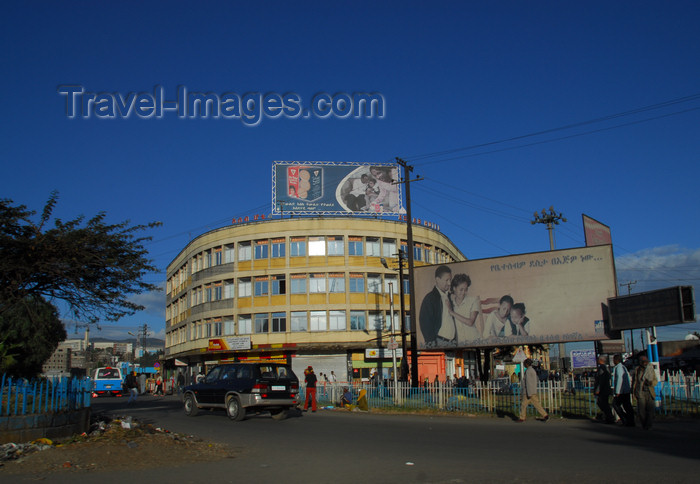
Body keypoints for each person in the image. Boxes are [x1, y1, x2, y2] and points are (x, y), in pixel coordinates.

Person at [419, 265, 453, 347]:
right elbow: (425, 323)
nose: (449, 283)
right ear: (438, 280)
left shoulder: (451, 297)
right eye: (447, 280)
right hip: (439, 342)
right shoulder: (430, 299)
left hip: (454, 343)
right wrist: (432, 344)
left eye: (450, 280)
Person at [446, 273, 482, 343]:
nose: (463, 292)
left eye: (466, 289)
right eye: (461, 289)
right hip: (459, 344)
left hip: (474, 342)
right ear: (454, 288)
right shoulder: (450, 303)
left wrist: (452, 313)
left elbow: (470, 322)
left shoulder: (473, 300)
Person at [632, 355, 658, 430]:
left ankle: (648, 425)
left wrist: (651, 383)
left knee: (650, 410)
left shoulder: (650, 369)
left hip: (649, 392)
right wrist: (633, 391)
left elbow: (655, 380)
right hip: (640, 392)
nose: (645, 363)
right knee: (641, 410)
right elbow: (635, 381)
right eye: (643, 362)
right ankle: (644, 424)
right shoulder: (637, 370)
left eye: (646, 361)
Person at [611, 354, 634, 426]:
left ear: (616, 360)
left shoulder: (619, 368)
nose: (613, 361)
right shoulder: (622, 367)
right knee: (627, 406)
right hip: (625, 390)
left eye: (614, 360)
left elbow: (619, 379)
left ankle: (625, 418)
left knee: (616, 404)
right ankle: (630, 421)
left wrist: (618, 391)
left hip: (622, 391)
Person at [594, 356, 615, 423]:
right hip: (606, 389)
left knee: (603, 403)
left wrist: (598, 390)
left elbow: (601, 380)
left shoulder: (602, 368)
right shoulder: (606, 368)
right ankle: (608, 416)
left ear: (600, 360)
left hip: (603, 390)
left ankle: (609, 417)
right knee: (604, 403)